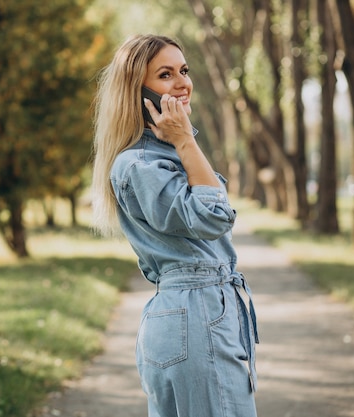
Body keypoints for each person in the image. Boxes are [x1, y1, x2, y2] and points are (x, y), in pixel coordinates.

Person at [90, 34, 259, 417]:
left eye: (184, 70)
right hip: (194, 317)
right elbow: (214, 216)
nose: (182, 83)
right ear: (138, 92)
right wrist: (185, 142)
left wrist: (182, 143)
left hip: (197, 315)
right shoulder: (139, 164)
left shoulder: (164, 155)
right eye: (165, 75)